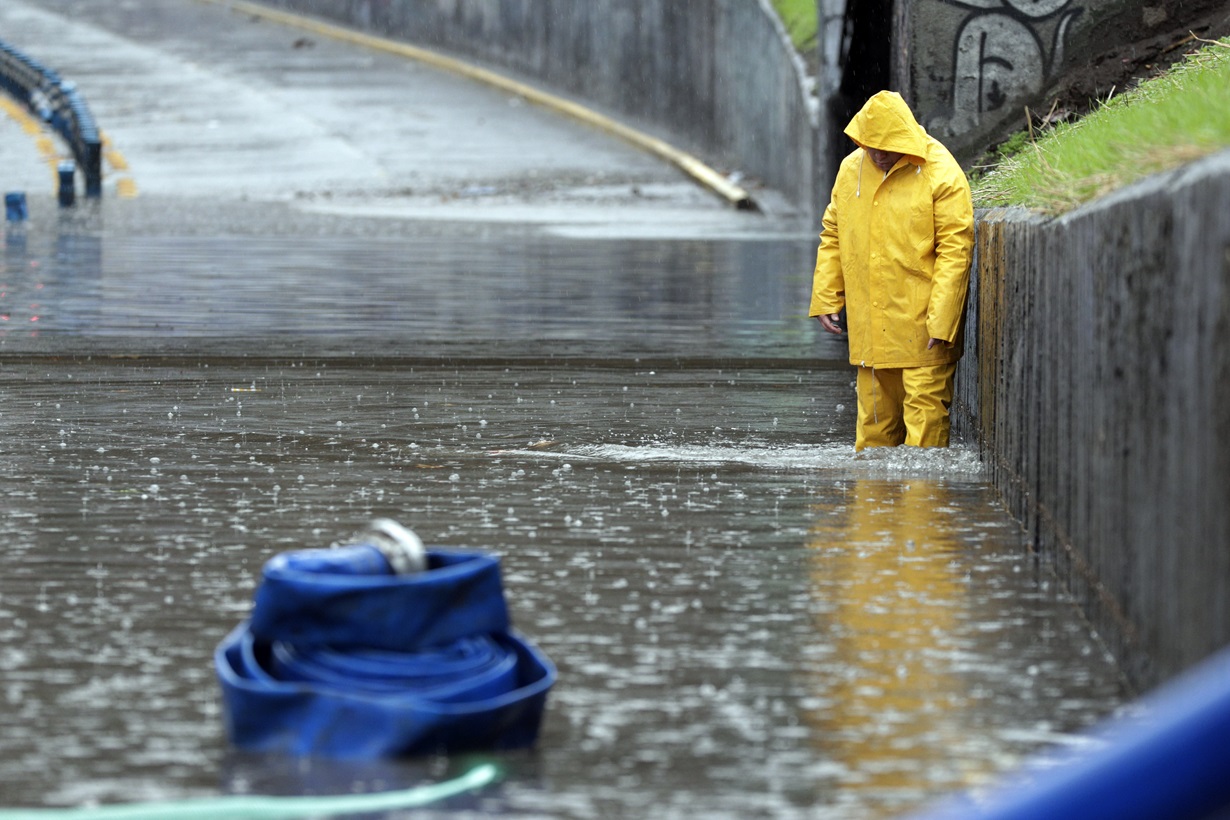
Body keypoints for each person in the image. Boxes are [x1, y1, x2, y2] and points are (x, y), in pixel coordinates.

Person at [810, 90, 974, 451]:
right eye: (870, 146)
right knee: (873, 435)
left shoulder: (941, 172)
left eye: (886, 146)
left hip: (924, 328)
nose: (878, 154)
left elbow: (955, 248)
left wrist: (943, 320)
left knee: (925, 431)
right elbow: (834, 232)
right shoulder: (852, 169)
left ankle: (922, 504)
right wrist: (826, 296)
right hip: (872, 328)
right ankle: (872, 504)